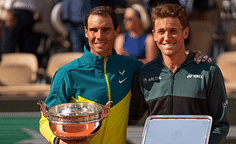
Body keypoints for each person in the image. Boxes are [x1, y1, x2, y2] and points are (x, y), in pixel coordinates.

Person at [39, 5, 210, 144]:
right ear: (86, 32)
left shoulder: (132, 66)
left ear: (116, 31)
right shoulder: (67, 73)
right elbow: (45, 118)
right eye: (93, 30)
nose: (99, 36)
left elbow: (167, 66)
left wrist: (192, 58)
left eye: (106, 30)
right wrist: (58, 140)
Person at [129, 4, 229, 144]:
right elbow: (130, 117)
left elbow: (220, 125)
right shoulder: (144, 73)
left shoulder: (209, 72)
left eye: (173, 31)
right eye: (161, 31)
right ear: (154, 35)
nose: (167, 37)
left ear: (185, 33)